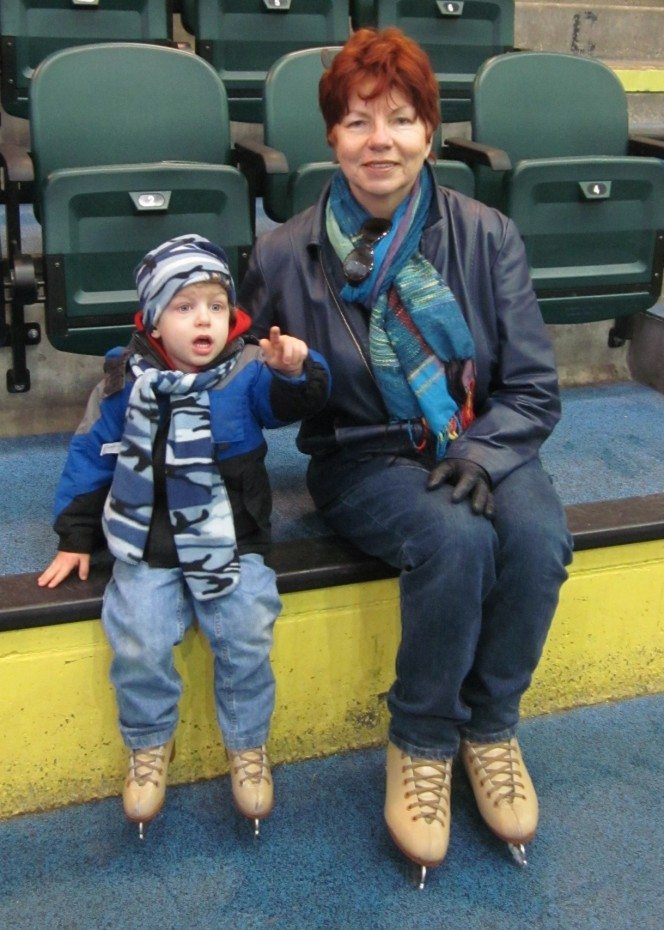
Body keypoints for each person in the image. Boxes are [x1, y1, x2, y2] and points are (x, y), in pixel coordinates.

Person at [239, 28, 573, 881]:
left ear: (430, 130)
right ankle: (422, 740)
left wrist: (486, 452)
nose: (378, 140)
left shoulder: (486, 235)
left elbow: (533, 389)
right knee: (455, 540)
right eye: (357, 122)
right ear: (332, 141)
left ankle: (491, 727)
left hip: (479, 440)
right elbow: (271, 409)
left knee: (538, 541)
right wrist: (286, 375)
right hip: (361, 456)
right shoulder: (284, 252)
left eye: (398, 119)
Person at [38, 234, 330, 839]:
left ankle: (247, 747)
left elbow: (296, 403)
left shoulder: (248, 371)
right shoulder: (124, 382)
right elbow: (92, 457)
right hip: (147, 539)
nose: (205, 319)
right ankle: (149, 746)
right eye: (185, 306)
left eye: (216, 306)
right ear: (151, 319)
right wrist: (74, 535)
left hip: (233, 537)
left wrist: (298, 369)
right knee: (139, 637)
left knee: (247, 630)